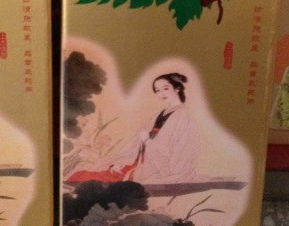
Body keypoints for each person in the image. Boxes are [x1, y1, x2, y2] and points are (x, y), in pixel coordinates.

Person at [65, 72, 198, 185]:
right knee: (85, 174)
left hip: (158, 166)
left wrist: (147, 140)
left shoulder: (182, 116)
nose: (161, 93)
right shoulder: (160, 113)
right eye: (157, 90)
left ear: (177, 88)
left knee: (102, 179)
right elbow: (135, 146)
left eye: (165, 88)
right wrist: (122, 161)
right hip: (141, 159)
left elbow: (170, 152)